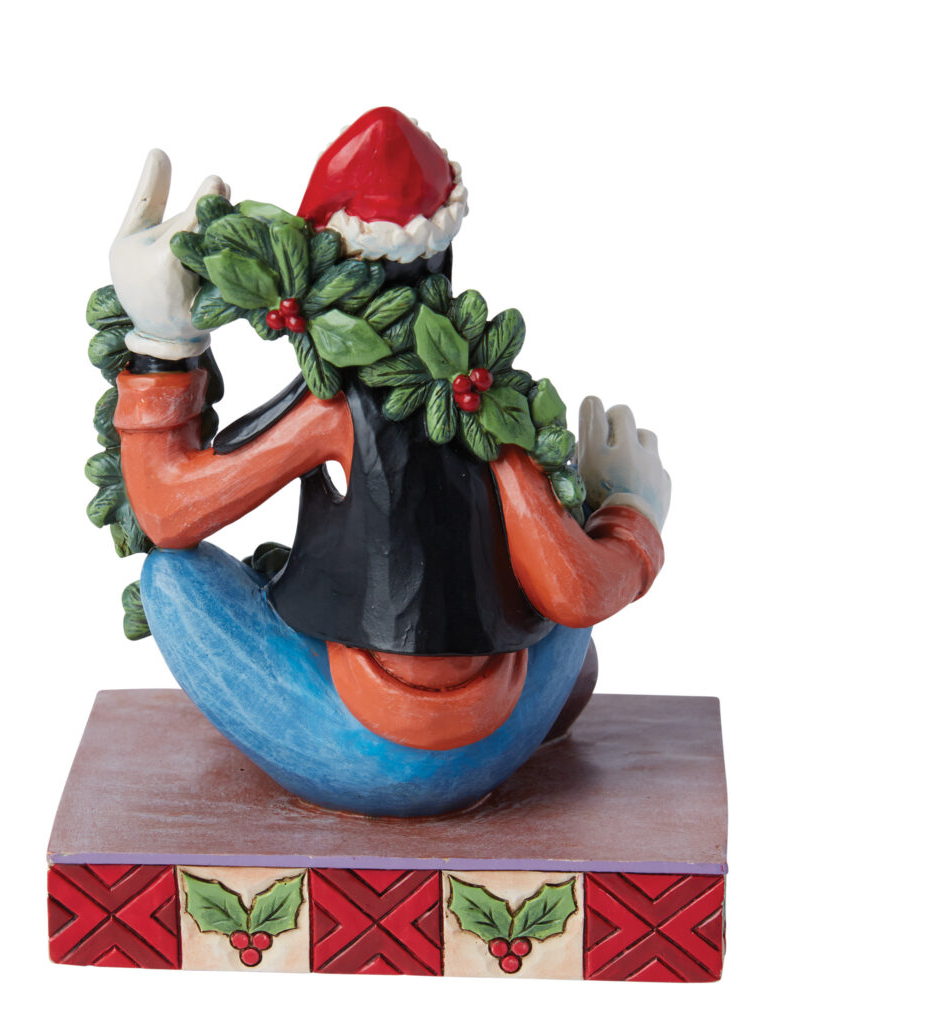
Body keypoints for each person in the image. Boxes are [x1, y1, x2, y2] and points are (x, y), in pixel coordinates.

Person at [107, 109, 671, 816]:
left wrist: (160, 339)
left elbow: (166, 512)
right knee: (574, 529)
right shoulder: (489, 404)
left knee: (171, 578)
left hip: (346, 746)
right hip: (500, 735)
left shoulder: (333, 408)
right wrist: (631, 514)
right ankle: (549, 703)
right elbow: (577, 593)